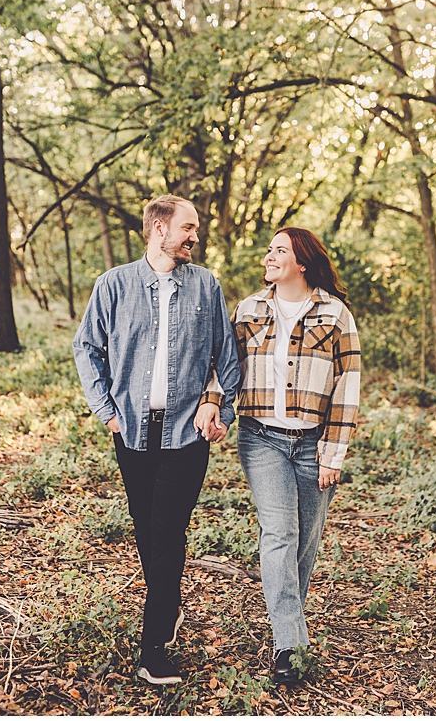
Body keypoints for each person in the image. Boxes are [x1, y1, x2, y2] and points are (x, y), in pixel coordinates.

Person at [73, 194, 240, 685]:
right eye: (188, 227)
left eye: (196, 228)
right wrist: (106, 411)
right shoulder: (114, 285)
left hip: (187, 433)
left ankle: (154, 647)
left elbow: (224, 356)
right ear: (158, 229)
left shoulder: (206, 286)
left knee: (166, 533)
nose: (196, 236)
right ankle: (169, 605)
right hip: (131, 431)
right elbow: (86, 347)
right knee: (148, 530)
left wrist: (219, 404)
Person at [229, 227, 360, 686]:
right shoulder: (248, 309)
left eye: (279, 250)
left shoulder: (335, 314)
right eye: (269, 249)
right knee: (280, 532)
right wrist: (213, 406)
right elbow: (225, 368)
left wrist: (333, 453)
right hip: (261, 438)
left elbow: (348, 386)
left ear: (302, 262)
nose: (269, 256)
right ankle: (290, 644)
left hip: (315, 443)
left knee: (306, 540)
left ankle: (288, 625)